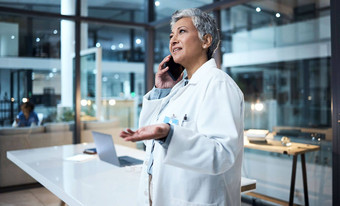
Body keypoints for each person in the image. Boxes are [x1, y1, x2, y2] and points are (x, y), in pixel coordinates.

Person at [120, 8, 244, 206]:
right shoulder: (181, 88)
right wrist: (161, 91)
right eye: (171, 35)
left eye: (182, 32)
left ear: (206, 41)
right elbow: (150, 143)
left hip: (197, 198)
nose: (173, 40)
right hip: (161, 193)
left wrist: (169, 134)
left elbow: (222, 154)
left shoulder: (218, 84)